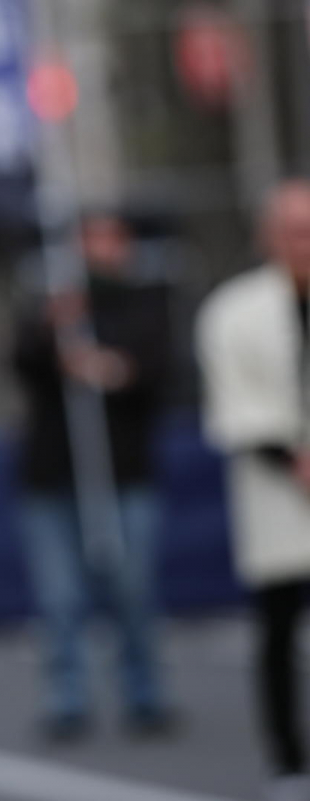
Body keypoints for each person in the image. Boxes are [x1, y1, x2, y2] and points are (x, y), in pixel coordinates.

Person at [13, 212, 173, 741]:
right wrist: (55, 329)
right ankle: (68, 699)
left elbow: (153, 372)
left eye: (110, 239)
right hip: (54, 477)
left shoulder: (146, 302)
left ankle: (144, 694)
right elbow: (21, 361)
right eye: (89, 240)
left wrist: (105, 366)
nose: (99, 250)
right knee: (60, 599)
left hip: (124, 474)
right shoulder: (51, 305)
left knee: (134, 591)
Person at [197, 181, 310, 801]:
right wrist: (290, 458)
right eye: (293, 229)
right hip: (276, 487)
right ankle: (288, 758)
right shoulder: (232, 311)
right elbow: (234, 405)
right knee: (278, 625)